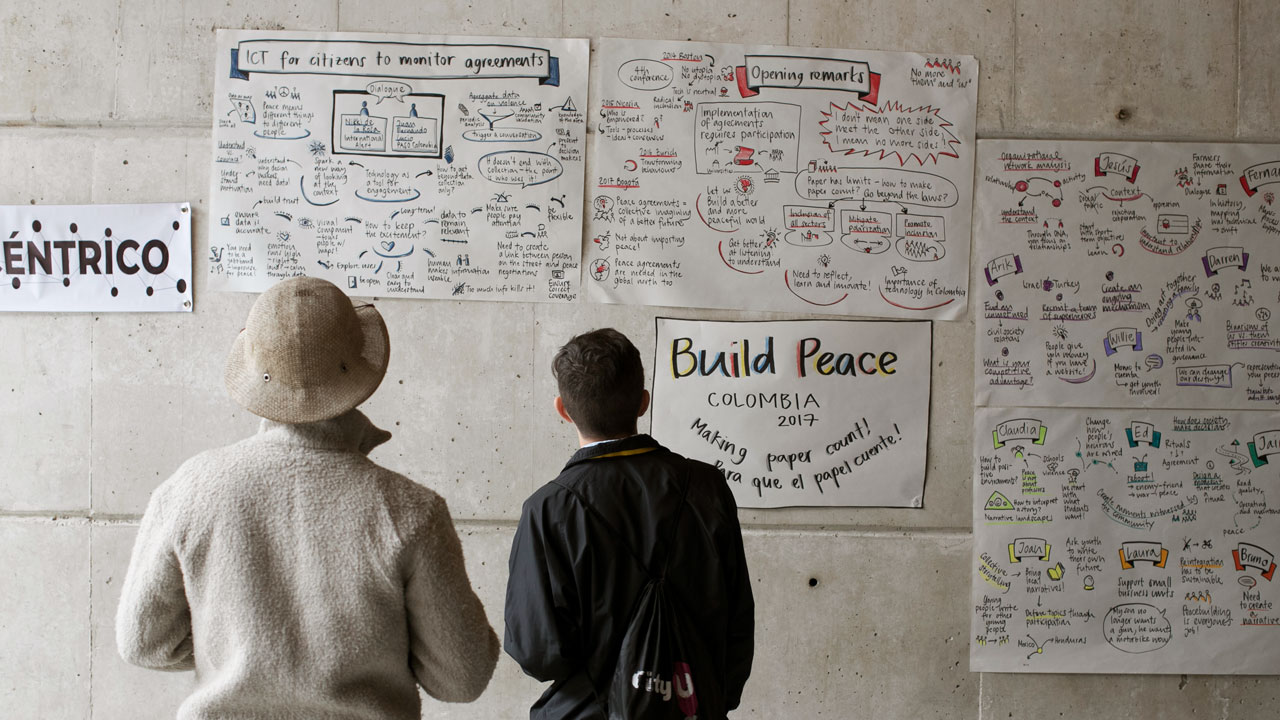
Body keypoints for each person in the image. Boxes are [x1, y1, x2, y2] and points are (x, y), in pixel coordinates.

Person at [116, 276, 499, 719]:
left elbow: (143, 642)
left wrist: (235, 653)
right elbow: (461, 679)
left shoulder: (190, 490)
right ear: (362, 364)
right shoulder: (409, 510)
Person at [505, 328, 754, 719]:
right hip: (693, 707)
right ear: (643, 402)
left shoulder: (548, 508)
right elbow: (737, 625)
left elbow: (539, 653)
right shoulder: (708, 488)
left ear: (563, 410)